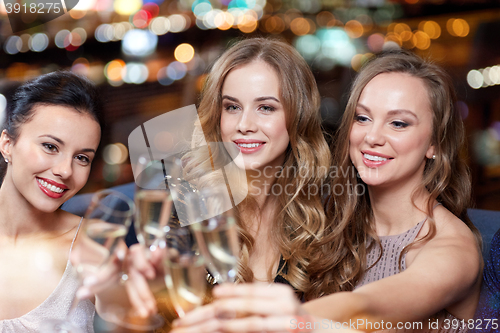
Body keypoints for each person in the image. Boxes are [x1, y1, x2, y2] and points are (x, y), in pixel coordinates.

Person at [170, 49, 483, 333]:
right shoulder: (336, 225)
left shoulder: (453, 247)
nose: (373, 136)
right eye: (363, 118)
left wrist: (290, 318)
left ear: (434, 144)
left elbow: (367, 307)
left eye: (399, 124)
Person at [126, 37, 333, 318]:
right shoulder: (175, 201)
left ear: (298, 116)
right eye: (232, 107)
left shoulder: (321, 210)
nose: (244, 126)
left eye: (266, 108)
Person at [0, 71, 104, 332]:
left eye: (82, 158)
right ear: (7, 144)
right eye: (50, 146)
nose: (65, 170)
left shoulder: (93, 247)